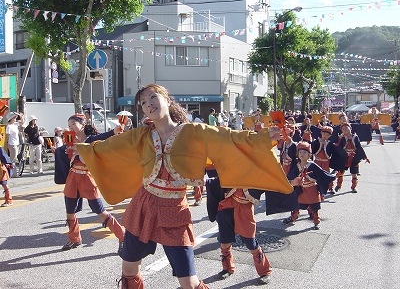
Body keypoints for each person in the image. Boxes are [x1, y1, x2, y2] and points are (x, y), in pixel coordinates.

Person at [76, 84, 292, 289]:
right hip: (143, 207)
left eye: (153, 97)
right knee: (129, 270)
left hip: (175, 211)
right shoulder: (141, 136)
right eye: (143, 102)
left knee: (189, 282)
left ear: (167, 100)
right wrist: (85, 151)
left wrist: (263, 138)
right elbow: (108, 147)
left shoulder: (192, 132)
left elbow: (229, 138)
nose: (148, 103)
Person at [57, 114, 125, 252]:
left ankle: (123, 237)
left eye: (73, 124)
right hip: (72, 178)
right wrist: (67, 152)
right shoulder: (71, 139)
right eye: (69, 125)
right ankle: (74, 239)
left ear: (82, 124)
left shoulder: (91, 140)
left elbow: (105, 136)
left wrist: (115, 131)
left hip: (87, 179)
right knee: (70, 212)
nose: (71, 127)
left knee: (100, 211)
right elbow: (67, 156)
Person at [205, 172, 271, 284]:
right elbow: (219, 178)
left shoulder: (254, 168)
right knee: (224, 241)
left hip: (245, 210)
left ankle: (265, 271)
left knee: (251, 242)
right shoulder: (231, 164)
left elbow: (272, 183)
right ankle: (227, 268)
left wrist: (291, 183)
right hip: (227, 206)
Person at [283, 142, 335, 229]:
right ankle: (293, 217)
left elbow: (322, 174)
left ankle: (316, 221)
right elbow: (291, 176)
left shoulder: (312, 165)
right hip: (301, 189)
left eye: (304, 152)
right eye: (300, 152)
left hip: (312, 189)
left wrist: (332, 176)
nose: (302, 154)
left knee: (315, 206)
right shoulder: (296, 165)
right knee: (297, 204)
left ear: (309, 155)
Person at [333, 123, 370, 193]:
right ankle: (338, 185)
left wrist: (365, 157)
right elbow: (339, 148)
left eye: (346, 128)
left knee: (354, 173)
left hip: (354, 158)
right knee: (341, 172)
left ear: (350, 128)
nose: (345, 130)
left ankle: (354, 187)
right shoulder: (342, 138)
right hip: (345, 157)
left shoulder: (355, 137)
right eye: (343, 129)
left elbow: (359, 147)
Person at [0, 132, 14, 207]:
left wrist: (8, 164)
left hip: (1, 169)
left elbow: (4, 157)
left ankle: (9, 200)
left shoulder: (0, 148)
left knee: (4, 184)